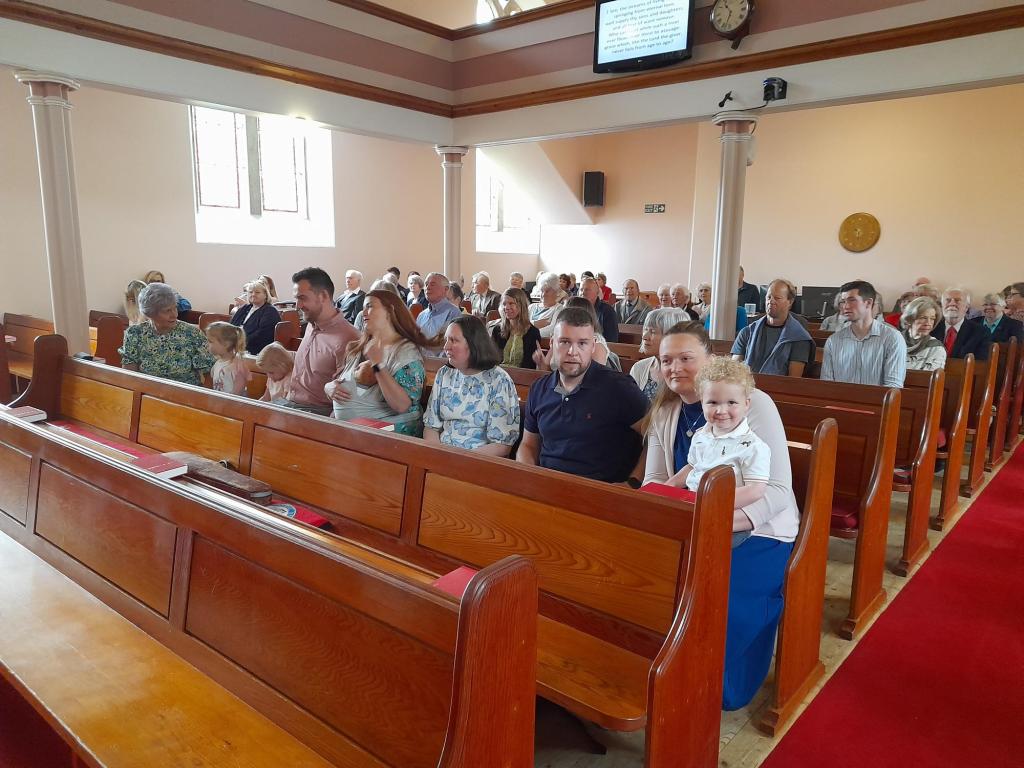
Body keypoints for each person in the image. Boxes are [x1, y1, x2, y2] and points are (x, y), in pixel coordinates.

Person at [642, 320, 799, 710]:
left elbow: (776, 491)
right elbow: (657, 480)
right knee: (642, 580)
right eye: (666, 360)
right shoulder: (665, 410)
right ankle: (658, 672)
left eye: (686, 358)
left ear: (710, 360)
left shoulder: (749, 402)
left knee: (716, 595)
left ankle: (719, 686)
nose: (675, 368)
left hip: (758, 529)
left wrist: (711, 523)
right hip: (689, 522)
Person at [517, 306, 649, 483]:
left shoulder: (619, 388)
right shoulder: (540, 388)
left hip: (600, 489)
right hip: (547, 483)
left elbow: (655, 436)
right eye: (564, 342)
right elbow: (528, 445)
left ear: (593, 346)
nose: (572, 352)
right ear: (552, 343)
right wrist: (528, 477)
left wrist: (633, 482)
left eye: (582, 343)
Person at [665, 357, 769, 548]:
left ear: (746, 404)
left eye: (731, 402)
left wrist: (712, 503)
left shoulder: (752, 446)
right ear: (702, 402)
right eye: (712, 402)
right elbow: (692, 467)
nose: (721, 410)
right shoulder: (701, 435)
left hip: (729, 519)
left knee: (695, 549)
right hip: (693, 507)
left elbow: (756, 489)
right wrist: (669, 486)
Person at [325, 289, 427, 435]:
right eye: (363, 308)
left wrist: (378, 365)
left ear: (390, 311)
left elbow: (402, 406)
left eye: (370, 306)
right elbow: (346, 382)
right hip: (352, 430)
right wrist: (329, 387)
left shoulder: (406, 353)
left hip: (390, 433)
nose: (363, 312)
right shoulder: (360, 346)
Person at [424, 316, 520, 455]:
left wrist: (460, 461)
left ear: (474, 344)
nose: (446, 347)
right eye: (446, 340)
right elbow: (431, 427)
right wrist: (437, 456)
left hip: (479, 459)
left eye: (453, 340)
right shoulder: (444, 374)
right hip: (441, 454)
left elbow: (502, 445)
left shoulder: (499, 380)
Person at [280, 267, 358, 415]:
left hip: (316, 413)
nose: (297, 306)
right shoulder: (311, 324)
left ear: (323, 295)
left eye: (302, 298)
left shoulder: (349, 337)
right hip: (290, 404)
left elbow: (346, 397)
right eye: (296, 298)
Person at [119, 282, 215, 385]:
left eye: (175, 308)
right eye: (167, 311)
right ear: (151, 313)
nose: (174, 315)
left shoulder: (192, 334)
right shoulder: (134, 334)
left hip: (185, 393)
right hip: (147, 392)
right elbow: (129, 376)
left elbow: (209, 374)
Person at [821, 280, 906, 387]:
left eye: (852, 300)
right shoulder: (833, 341)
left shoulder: (892, 338)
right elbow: (827, 383)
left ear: (868, 303)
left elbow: (893, 385)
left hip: (877, 398)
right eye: (843, 301)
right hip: (840, 397)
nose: (845, 306)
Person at [731, 279, 814, 376]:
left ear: (790, 302)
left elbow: (793, 380)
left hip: (778, 385)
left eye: (777, 298)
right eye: (769, 297)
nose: (771, 301)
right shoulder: (748, 332)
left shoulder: (799, 338)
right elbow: (733, 371)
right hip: (747, 384)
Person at [629, 308, 689, 401]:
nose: (644, 337)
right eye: (645, 329)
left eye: (653, 332)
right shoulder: (639, 368)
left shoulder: (687, 373)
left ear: (672, 336)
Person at [930, 287, 990, 361]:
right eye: (948, 300)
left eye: (957, 300)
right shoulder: (932, 328)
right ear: (942, 305)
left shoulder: (980, 332)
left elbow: (980, 364)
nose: (952, 304)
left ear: (966, 307)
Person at [491, 288, 541, 368]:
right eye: (504, 304)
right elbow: (491, 359)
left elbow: (529, 366)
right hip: (498, 373)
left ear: (521, 306)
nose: (507, 307)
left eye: (511, 303)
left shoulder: (533, 332)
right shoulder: (497, 330)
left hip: (522, 374)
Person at [230, 279, 281, 355]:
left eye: (257, 292)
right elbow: (231, 326)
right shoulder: (245, 308)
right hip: (236, 347)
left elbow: (262, 335)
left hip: (256, 351)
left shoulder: (270, 311)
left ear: (265, 295)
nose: (253, 294)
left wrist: (240, 342)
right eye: (250, 292)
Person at [416, 272, 463, 354]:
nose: (428, 287)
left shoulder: (453, 313)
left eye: (432, 284)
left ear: (446, 289)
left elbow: (450, 345)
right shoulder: (421, 315)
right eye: (426, 284)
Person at [900, 296, 946, 371]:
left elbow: (931, 377)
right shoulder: (895, 341)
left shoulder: (936, 348)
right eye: (923, 318)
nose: (928, 323)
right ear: (909, 319)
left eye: (932, 319)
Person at [205, 322, 251, 396]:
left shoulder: (237, 366)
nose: (207, 344)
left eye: (210, 341)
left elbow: (237, 394)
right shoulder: (218, 363)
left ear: (226, 344)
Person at [580, 276, 619, 342]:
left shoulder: (608, 311)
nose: (582, 293)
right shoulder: (576, 310)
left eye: (587, 290)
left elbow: (612, 340)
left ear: (597, 292)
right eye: (581, 290)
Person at [529, 272, 564, 338]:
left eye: (547, 291)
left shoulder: (559, 308)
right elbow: (522, 326)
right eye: (542, 291)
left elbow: (553, 329)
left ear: (556, 292)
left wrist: (530, 332)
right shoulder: (531, 307)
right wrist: (535, 323)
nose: (543, 294)